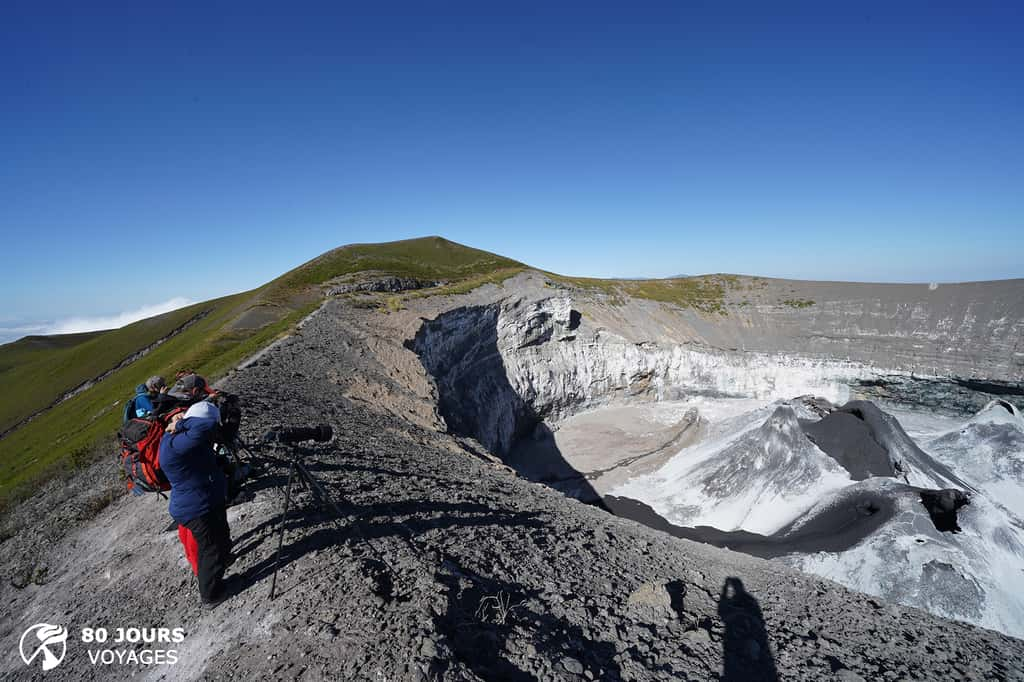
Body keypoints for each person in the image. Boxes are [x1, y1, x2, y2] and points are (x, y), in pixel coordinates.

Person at [160, 400, 233, 606]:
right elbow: (206, 426)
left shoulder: (185, 440)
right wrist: (182, 423)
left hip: (205, 500)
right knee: (210, 548)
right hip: (196, 507)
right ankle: (211, 595)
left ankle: (223, 561)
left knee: (218, 537)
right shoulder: (177, 441)